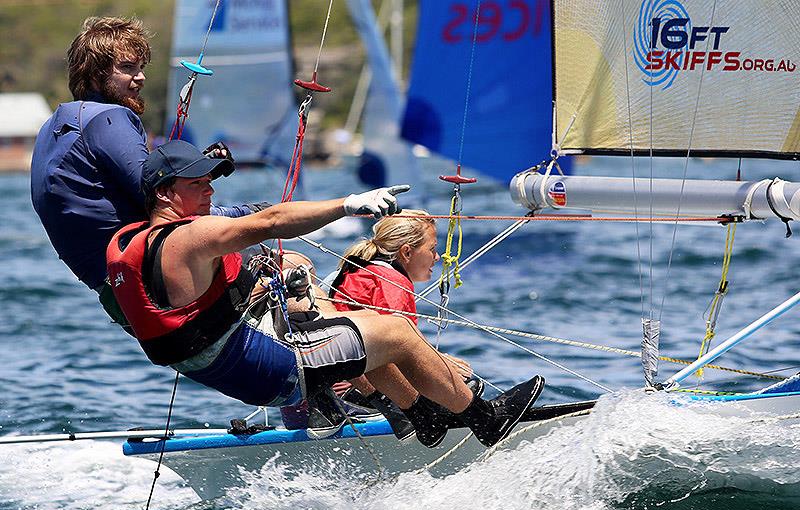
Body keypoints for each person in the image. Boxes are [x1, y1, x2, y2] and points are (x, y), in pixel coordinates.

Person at [107, 139, 545, 448]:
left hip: (225, 368)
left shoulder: (131, 244)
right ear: (164, 192)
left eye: (210, 182)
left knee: (365, 327)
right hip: (265, 370)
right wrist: (347, 205)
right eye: (197, 185)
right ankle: (487, 421)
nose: (210, 191)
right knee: (398, 333)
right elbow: (271, 221)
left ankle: (421, 416)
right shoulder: (190, 237)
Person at [30, 16, 256, 324]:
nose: (140, 78)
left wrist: (199, 170)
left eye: (141, 68)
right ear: (95, 76)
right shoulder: (110, 117)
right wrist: (249, 213)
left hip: (118, 295)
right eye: (127, 68)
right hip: (155, 281)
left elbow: (129, 190)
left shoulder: (54, 126)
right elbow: (160, 199)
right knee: (282, 254)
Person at [320, 211, 481, 442]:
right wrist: (443, 367)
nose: (437, 257)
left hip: (324, 395)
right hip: (353, 397)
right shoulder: (393, 282)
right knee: (463, 385)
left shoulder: (360, 269)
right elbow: (399, 352)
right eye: (432, 248)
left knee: (452, 378)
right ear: (406, 252)